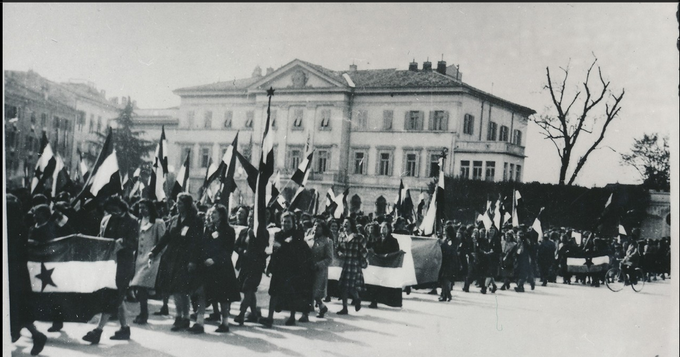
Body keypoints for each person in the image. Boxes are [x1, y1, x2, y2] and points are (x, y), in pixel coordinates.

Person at [83, 195, 139, 344]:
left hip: (123, 264)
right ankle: (124, 329)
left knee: (113, 295)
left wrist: (123, 243)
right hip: (107, 263)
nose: (111, 213)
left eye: (114, 210)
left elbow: (134, 243)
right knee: (116, 296)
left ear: (121, 207)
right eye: (109, 210)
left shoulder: (132, 221)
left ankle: (98, 330)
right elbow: (100, 237)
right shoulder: (106, 220)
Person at [148, 193, 204, 332]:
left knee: (182, 290)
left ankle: (184, 317)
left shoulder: (195, 221)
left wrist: (193, 260)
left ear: (187, 205)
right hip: (171, 258)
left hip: (186, 259)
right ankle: (180, 316)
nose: (177, 206)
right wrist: (154, 251)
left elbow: (197, 243)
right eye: (177, 203)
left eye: (180, 203)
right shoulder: (174, 220)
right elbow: (166, 238)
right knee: (175, 289)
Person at [8, 194, 48, 356]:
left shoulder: (10, 227)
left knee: (15, 307)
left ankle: (33, 335)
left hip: (12, 273)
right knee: (19, 307)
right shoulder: (21, 225)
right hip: (19, 273)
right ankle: (32, 335)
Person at [192, 204, 242, 333]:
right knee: (201, 293)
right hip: (207, 267)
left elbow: (228, 250)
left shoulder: (229, 230)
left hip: (222, 268)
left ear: (221, 215)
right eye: (210, 213)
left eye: (214, 213)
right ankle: (199, 323)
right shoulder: (208, 229)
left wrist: (215, 260)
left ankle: (225, 323)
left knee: (223, 297)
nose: (211, 215)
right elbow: (203, 246)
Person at [260, 212, 313, 327]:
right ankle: (269, 318)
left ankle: (292, 317)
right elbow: (275, 251)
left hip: (292, 268)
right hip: (279, 267)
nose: (286, 224)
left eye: (288, 221)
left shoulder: (298, 234)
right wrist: (270, 267)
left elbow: (296, 250)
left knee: (291, 293)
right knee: (273, 292)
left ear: (293, 223)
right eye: (284, 221)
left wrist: (283, 246)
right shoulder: (278, 234)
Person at [129, 199, 167, 325]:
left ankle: (144, 313)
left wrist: (157, 256)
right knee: (139, 287)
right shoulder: (139, 222)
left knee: (141, 286)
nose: (142, 210)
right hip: (139, 259)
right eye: (140, 208)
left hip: (151, 259)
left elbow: (163, 242)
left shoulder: (158, 222)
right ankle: (142, 312)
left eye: (145, 207)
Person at [301, 219, 334, 320]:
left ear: (323, 229)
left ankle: (321, 307)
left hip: (319, 271)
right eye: (315, 225)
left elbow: (329, 259)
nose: (316, 228)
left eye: (319, 226)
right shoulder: (307, 239)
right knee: (306, 291)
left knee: (315, 293)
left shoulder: (328, 241)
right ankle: (306, 314)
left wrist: (318, 265)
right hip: (307, 269)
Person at [336, 217, 368, 315]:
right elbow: (338, 248)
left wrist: (362, 261)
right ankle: (344, 308)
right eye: (344, 223)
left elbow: (364, 251)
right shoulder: (341, 236)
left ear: (351, 224)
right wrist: (339, 253)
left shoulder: (359, 237)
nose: (345, 225)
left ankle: (357, 298)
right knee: (343, 287)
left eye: (347, 223)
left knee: (352, 286)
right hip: (345, 264)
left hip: (354, 263)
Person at [367, 222, 402, 308]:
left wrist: (389, 256)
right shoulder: (377, 239)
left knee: (387, 282)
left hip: (388, 265)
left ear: (389, 229)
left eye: (385, 228)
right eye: (382, 228)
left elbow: (395, 252)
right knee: (375, 282)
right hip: (378, 264)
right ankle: (374, 301)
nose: (383, 229)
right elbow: (372, 249)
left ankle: (390, 301)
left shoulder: (393, 240)